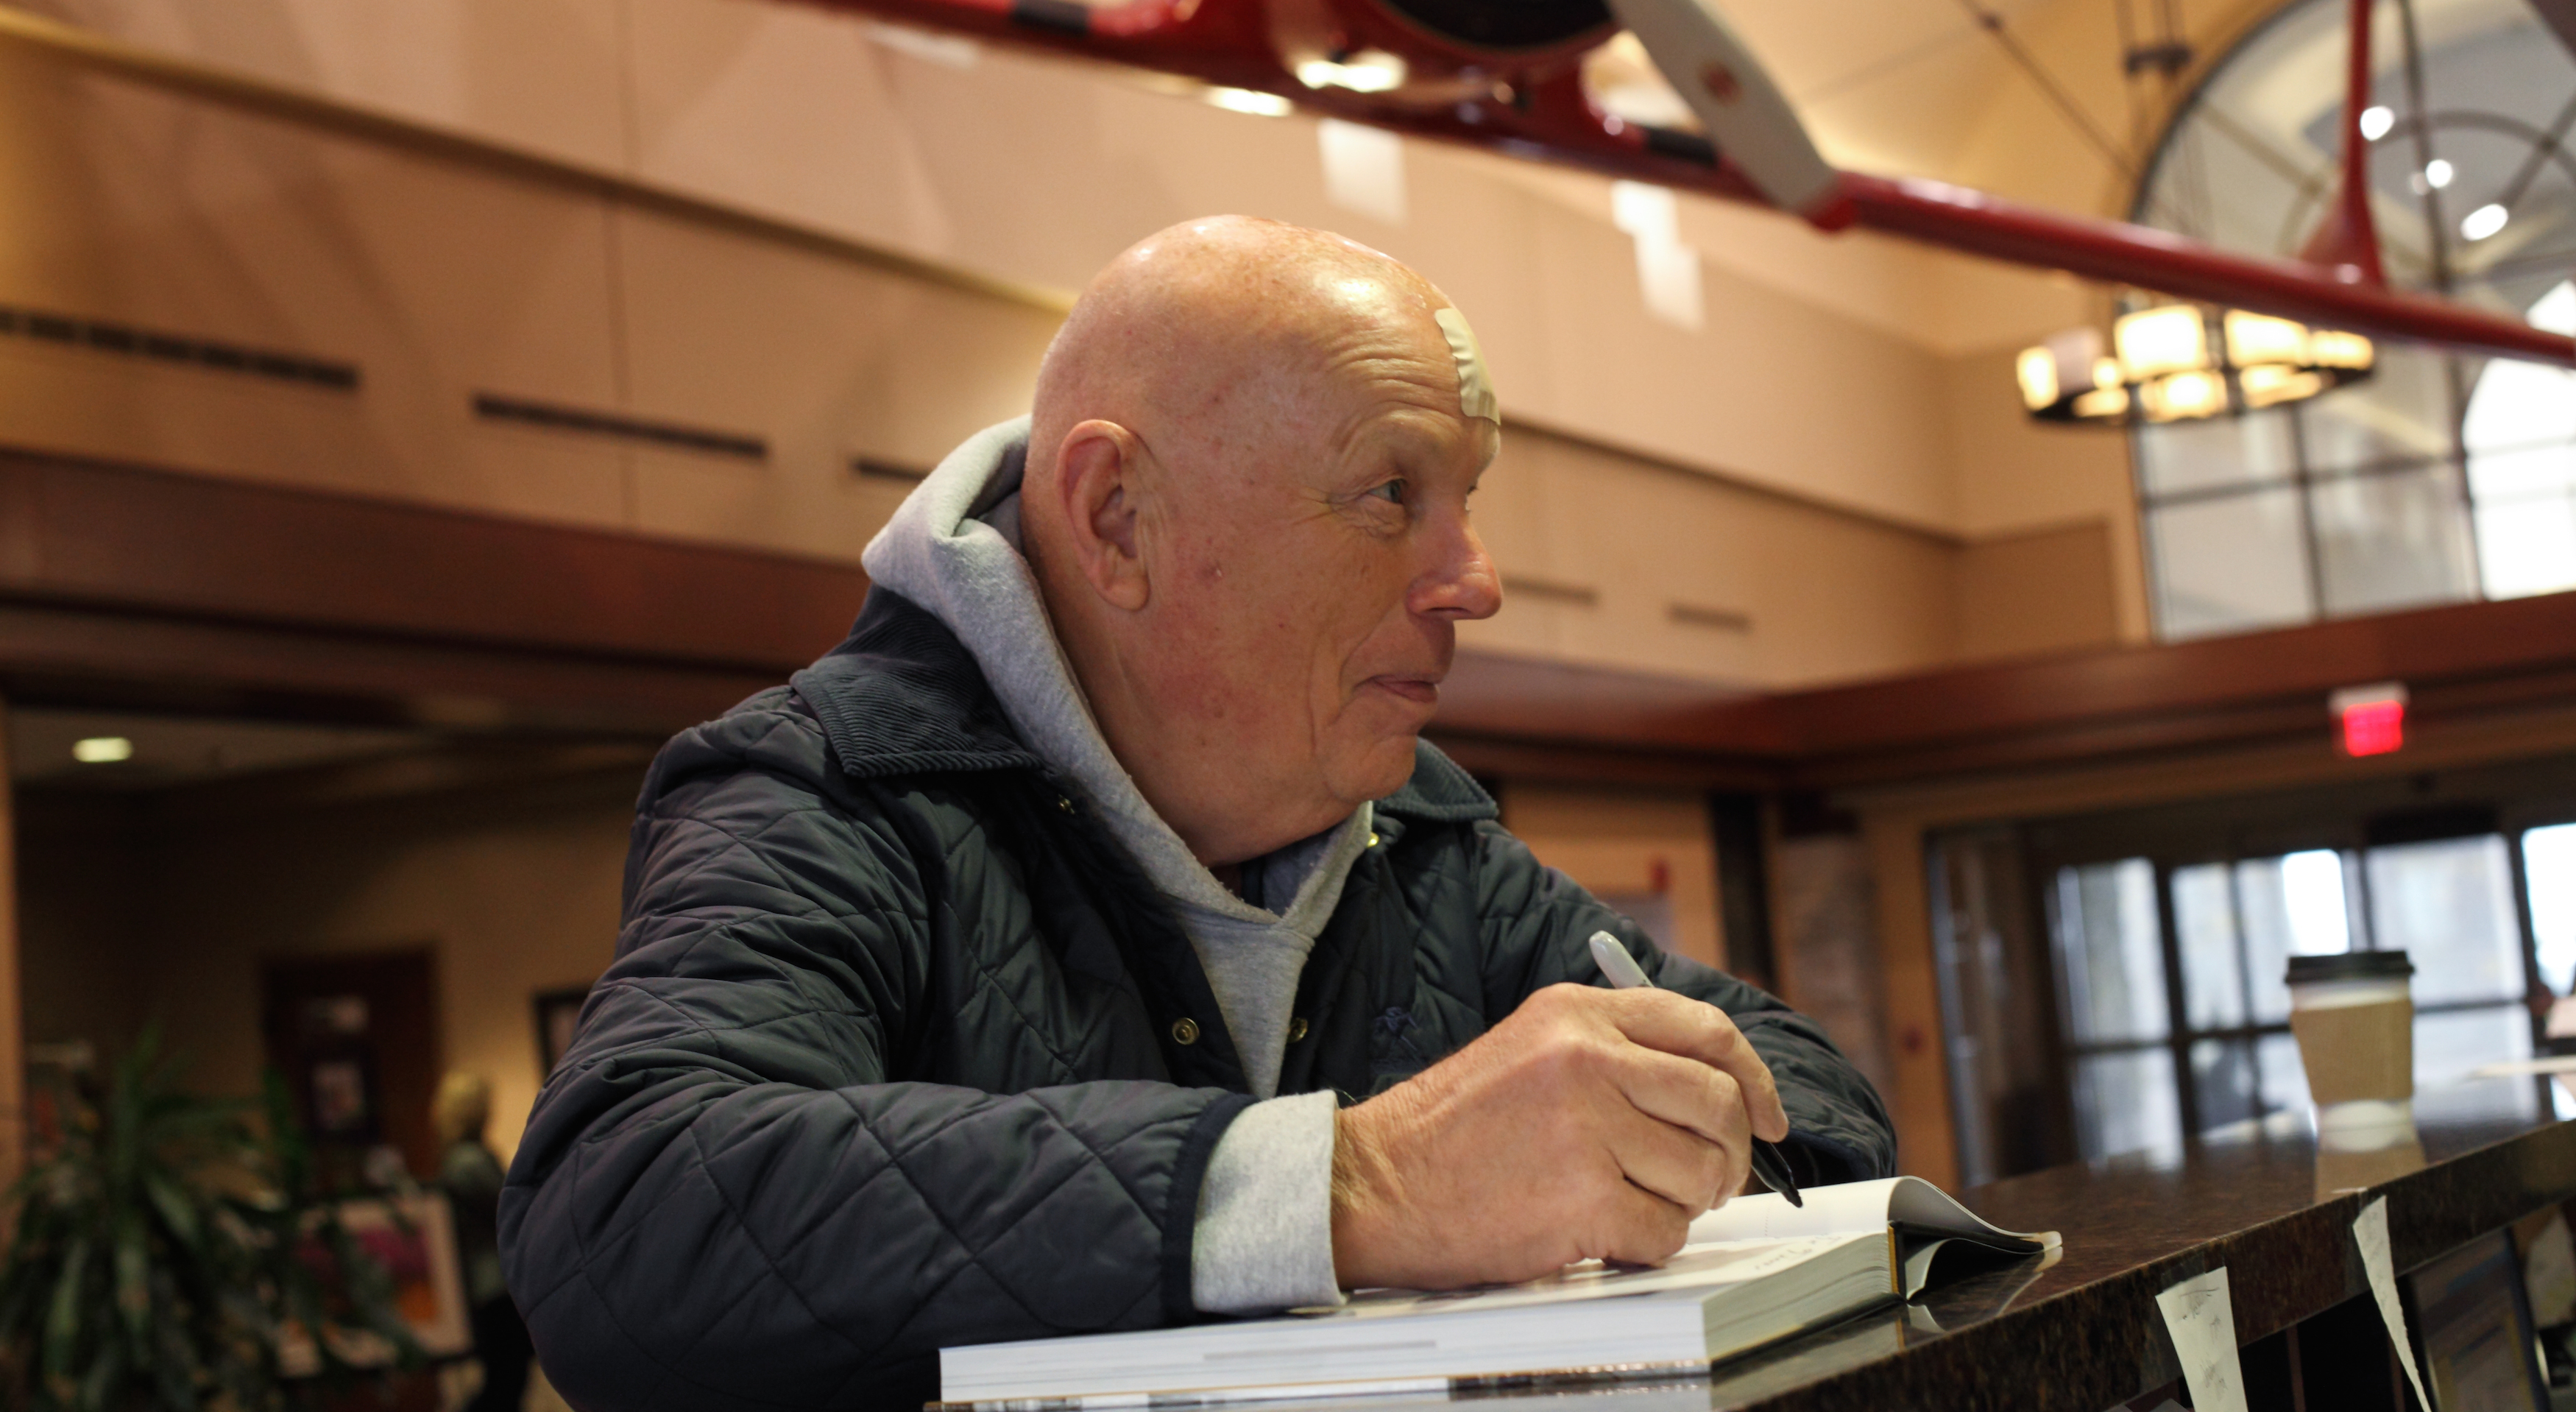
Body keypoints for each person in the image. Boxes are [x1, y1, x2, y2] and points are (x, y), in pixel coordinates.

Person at [499, 216, 1894, 1408]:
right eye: (1393, 493)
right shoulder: (827, 791)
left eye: (1466, 505)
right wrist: (1360, 1184)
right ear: (1116, 519)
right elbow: (617, 1210)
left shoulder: (1425, 840)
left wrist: (1636, 1137)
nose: (1476, 580)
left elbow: (1810, 1095)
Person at [434, 1071, 534, 1412]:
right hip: (494, 1288)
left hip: (491, 1286)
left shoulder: (465, 1157)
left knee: (506, 1383)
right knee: (505, 1386)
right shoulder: (469, 1162)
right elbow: (510, 1208)